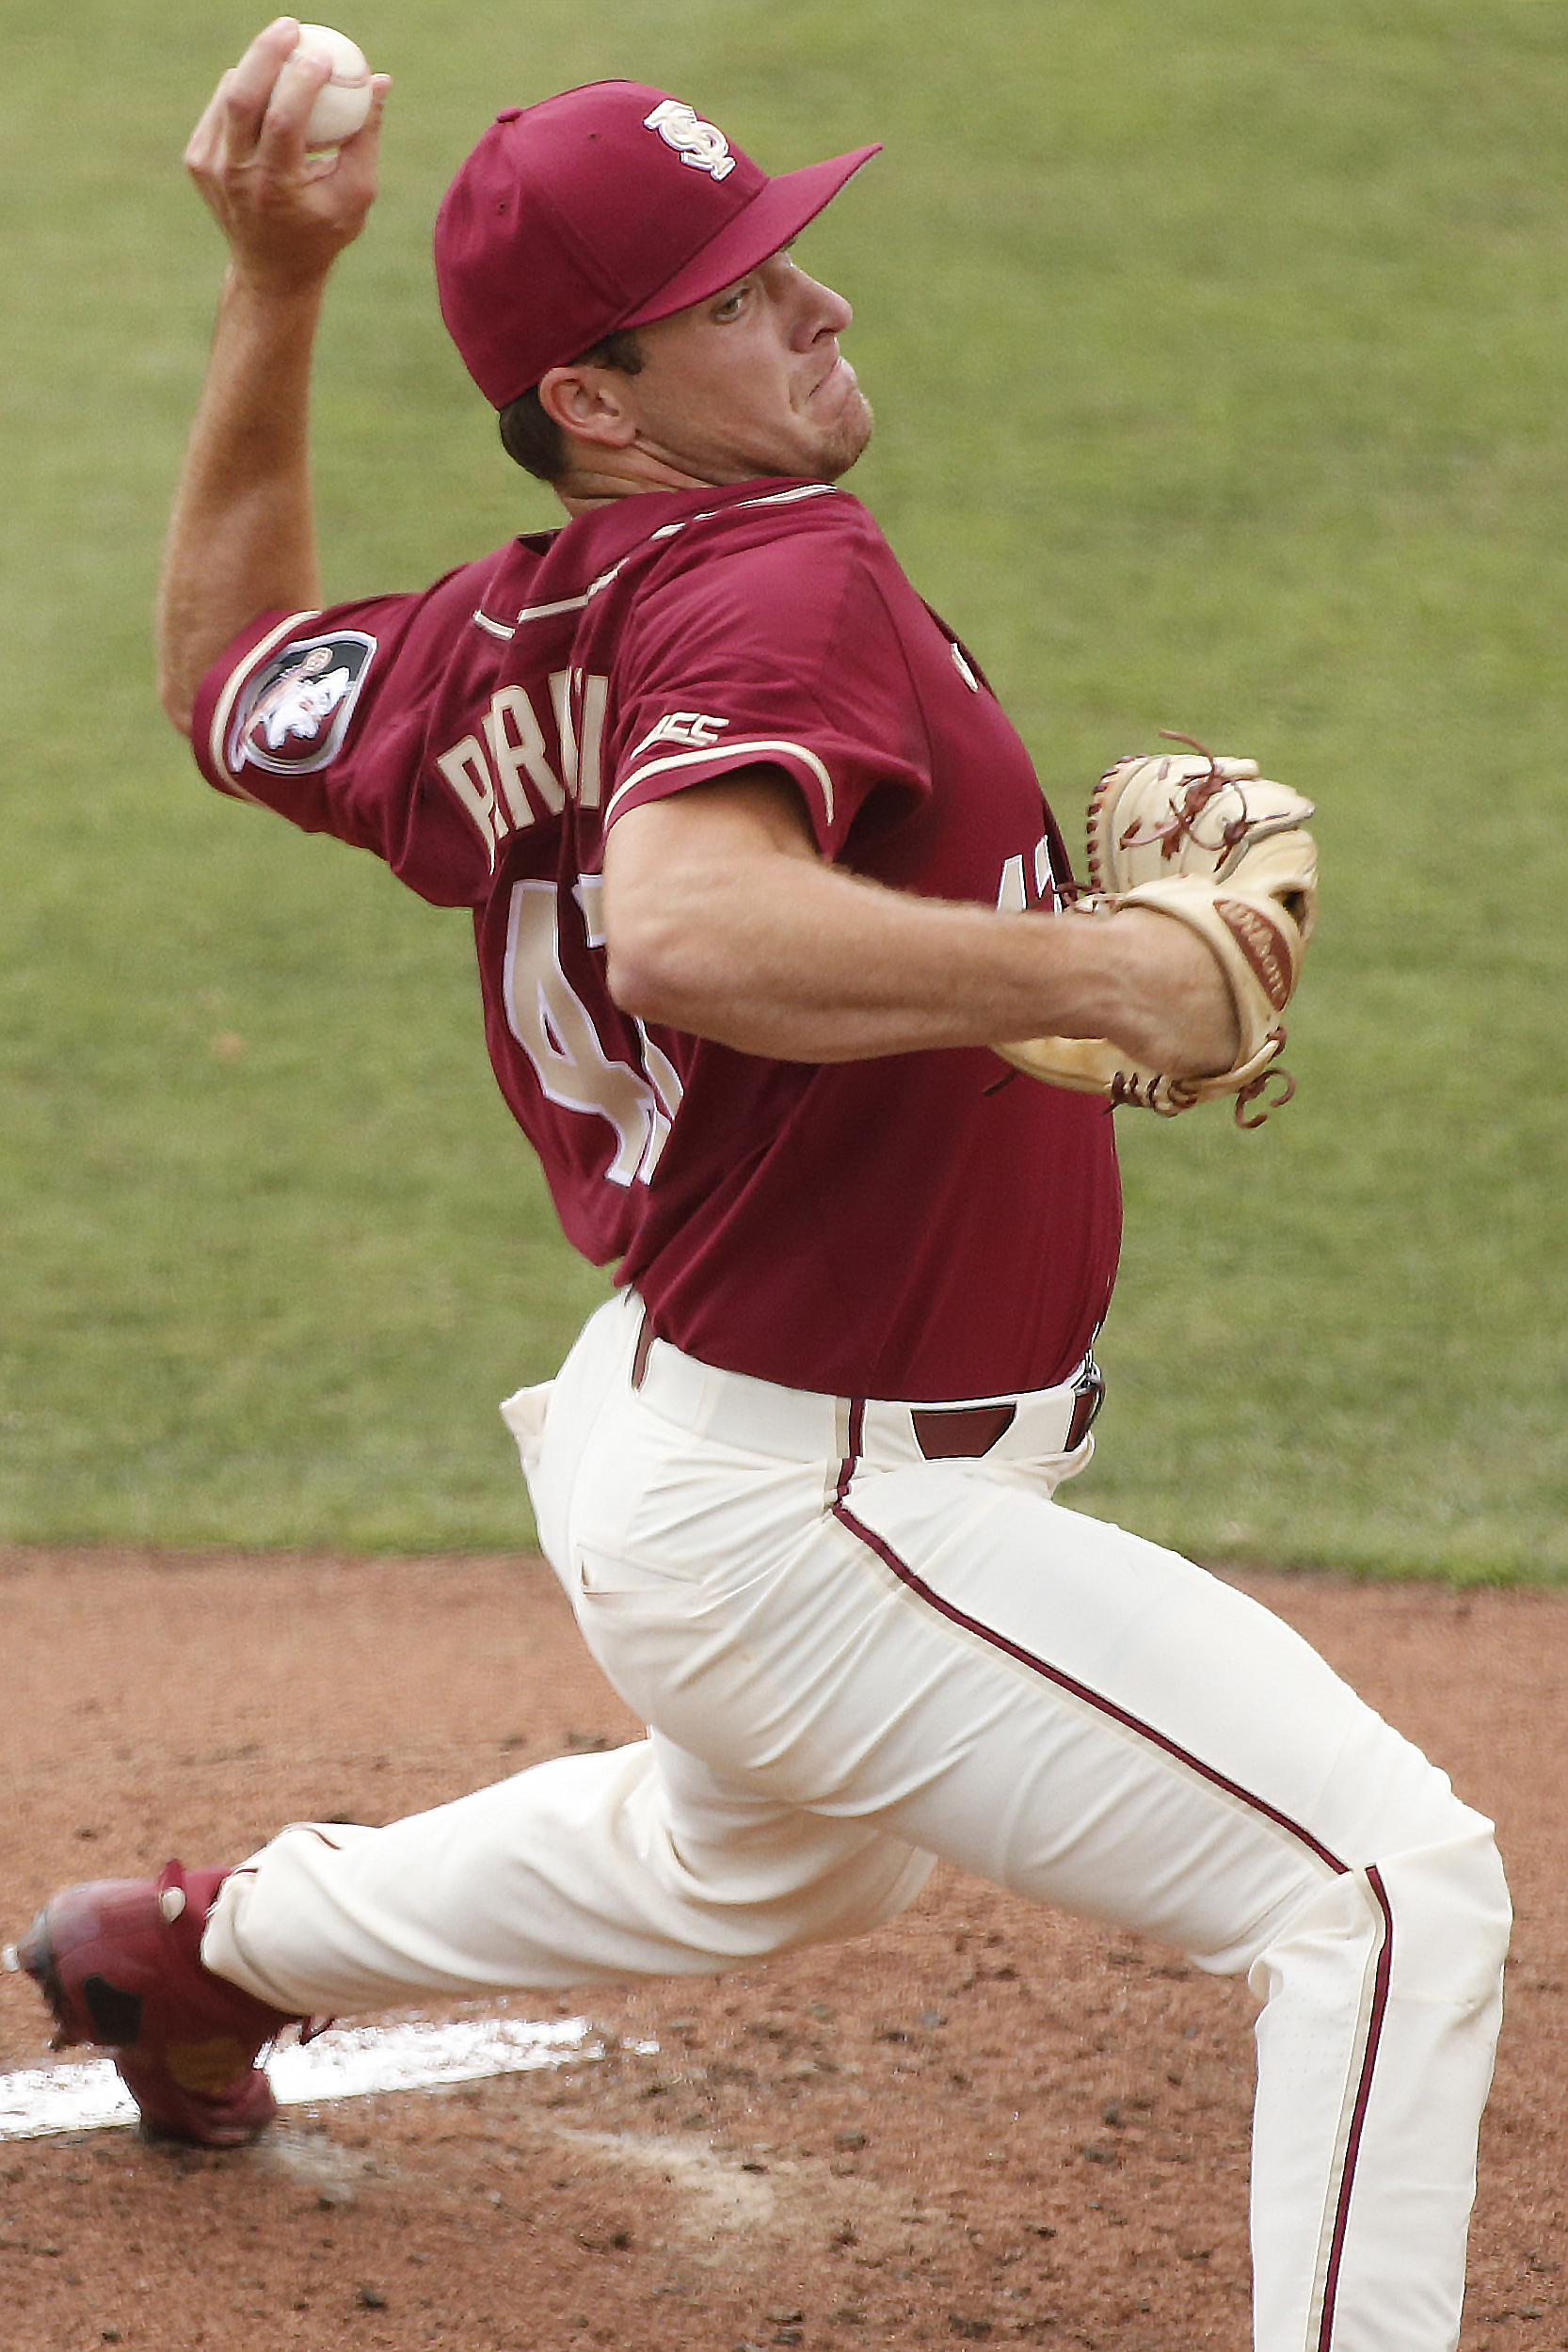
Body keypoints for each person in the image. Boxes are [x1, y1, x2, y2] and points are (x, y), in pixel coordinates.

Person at [8, 21, 1508, 2351]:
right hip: (819, 1508)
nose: (818, 299)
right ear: (594, 399)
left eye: (788, 254)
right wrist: (1107, 968)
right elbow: (692, 929)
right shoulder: (774, 576)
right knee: (1387, 1883)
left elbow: (233, 675)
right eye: (734, 292)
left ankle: (198, 1956)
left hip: (701, 1450)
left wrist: (275, 284)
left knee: (756, 1855)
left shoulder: (501, 633)